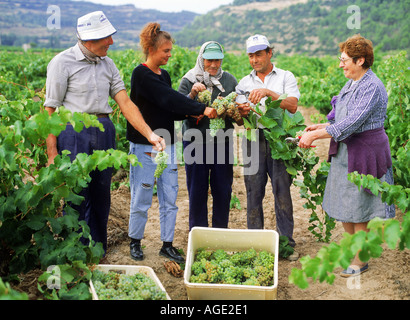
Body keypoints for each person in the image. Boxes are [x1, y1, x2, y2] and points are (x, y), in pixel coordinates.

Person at [43, 11, 165, 254]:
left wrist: (150, 134)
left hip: (104, 130)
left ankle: (97, 250)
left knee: (101, 193)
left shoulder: (108, 64)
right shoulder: (61, 62)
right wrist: (52, 152)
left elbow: (126, 103)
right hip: (73, 132)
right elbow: (49, 110)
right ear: (89, 39)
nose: (111, 42)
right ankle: (76, 251)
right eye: (106, 37)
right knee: (77, 195)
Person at [299, 34, 395, 276]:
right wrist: (319, 127)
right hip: (346, 149)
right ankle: (353, 250)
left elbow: (352, 123)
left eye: (344, 60)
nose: (340, 64)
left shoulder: (372, 86)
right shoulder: (351, 82)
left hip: (364, 151)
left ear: (360, 60)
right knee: (345, 202)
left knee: (359, 207)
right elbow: (340, 118)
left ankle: (360, 259)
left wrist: (314, 137)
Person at [127, 23, 217, 263]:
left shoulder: (163, 75)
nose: (169, 54)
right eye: (166, 50)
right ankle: (135, 241)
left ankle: (166, 244)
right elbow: (168, 97)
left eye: (169, 50)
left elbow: (171, 108)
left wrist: (192, 103)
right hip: (144, 146)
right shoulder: (141, 74)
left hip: (168, 145)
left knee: (170, 196)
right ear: (151, 48)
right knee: (142, 195)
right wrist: (202, 108)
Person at [236, 34, 300, 261]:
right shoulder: (243, 83)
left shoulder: (285, 76)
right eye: (251, 56)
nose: (255, 60)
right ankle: (255, 244)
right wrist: (241, 112)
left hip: (280, 138)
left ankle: (286, 245)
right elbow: (237, 118)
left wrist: (268, 93)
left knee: (282, 191)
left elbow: (292, 106)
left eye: (259, 54)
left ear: (270, 53)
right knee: (253, 192)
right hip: (253, 139)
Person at [178, 41, 239, 230]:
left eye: (218, 60)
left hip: (222, 143)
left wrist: (232, 110)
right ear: (201, 59)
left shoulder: (229, 81)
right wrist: (193, 93)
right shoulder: (188, 80)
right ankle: (199, 234)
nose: (213, 65)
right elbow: (178, 110)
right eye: (209, 60)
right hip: (195, 142)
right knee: (197, 190)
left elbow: (238, 116)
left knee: (223, 189)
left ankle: (220, 232)